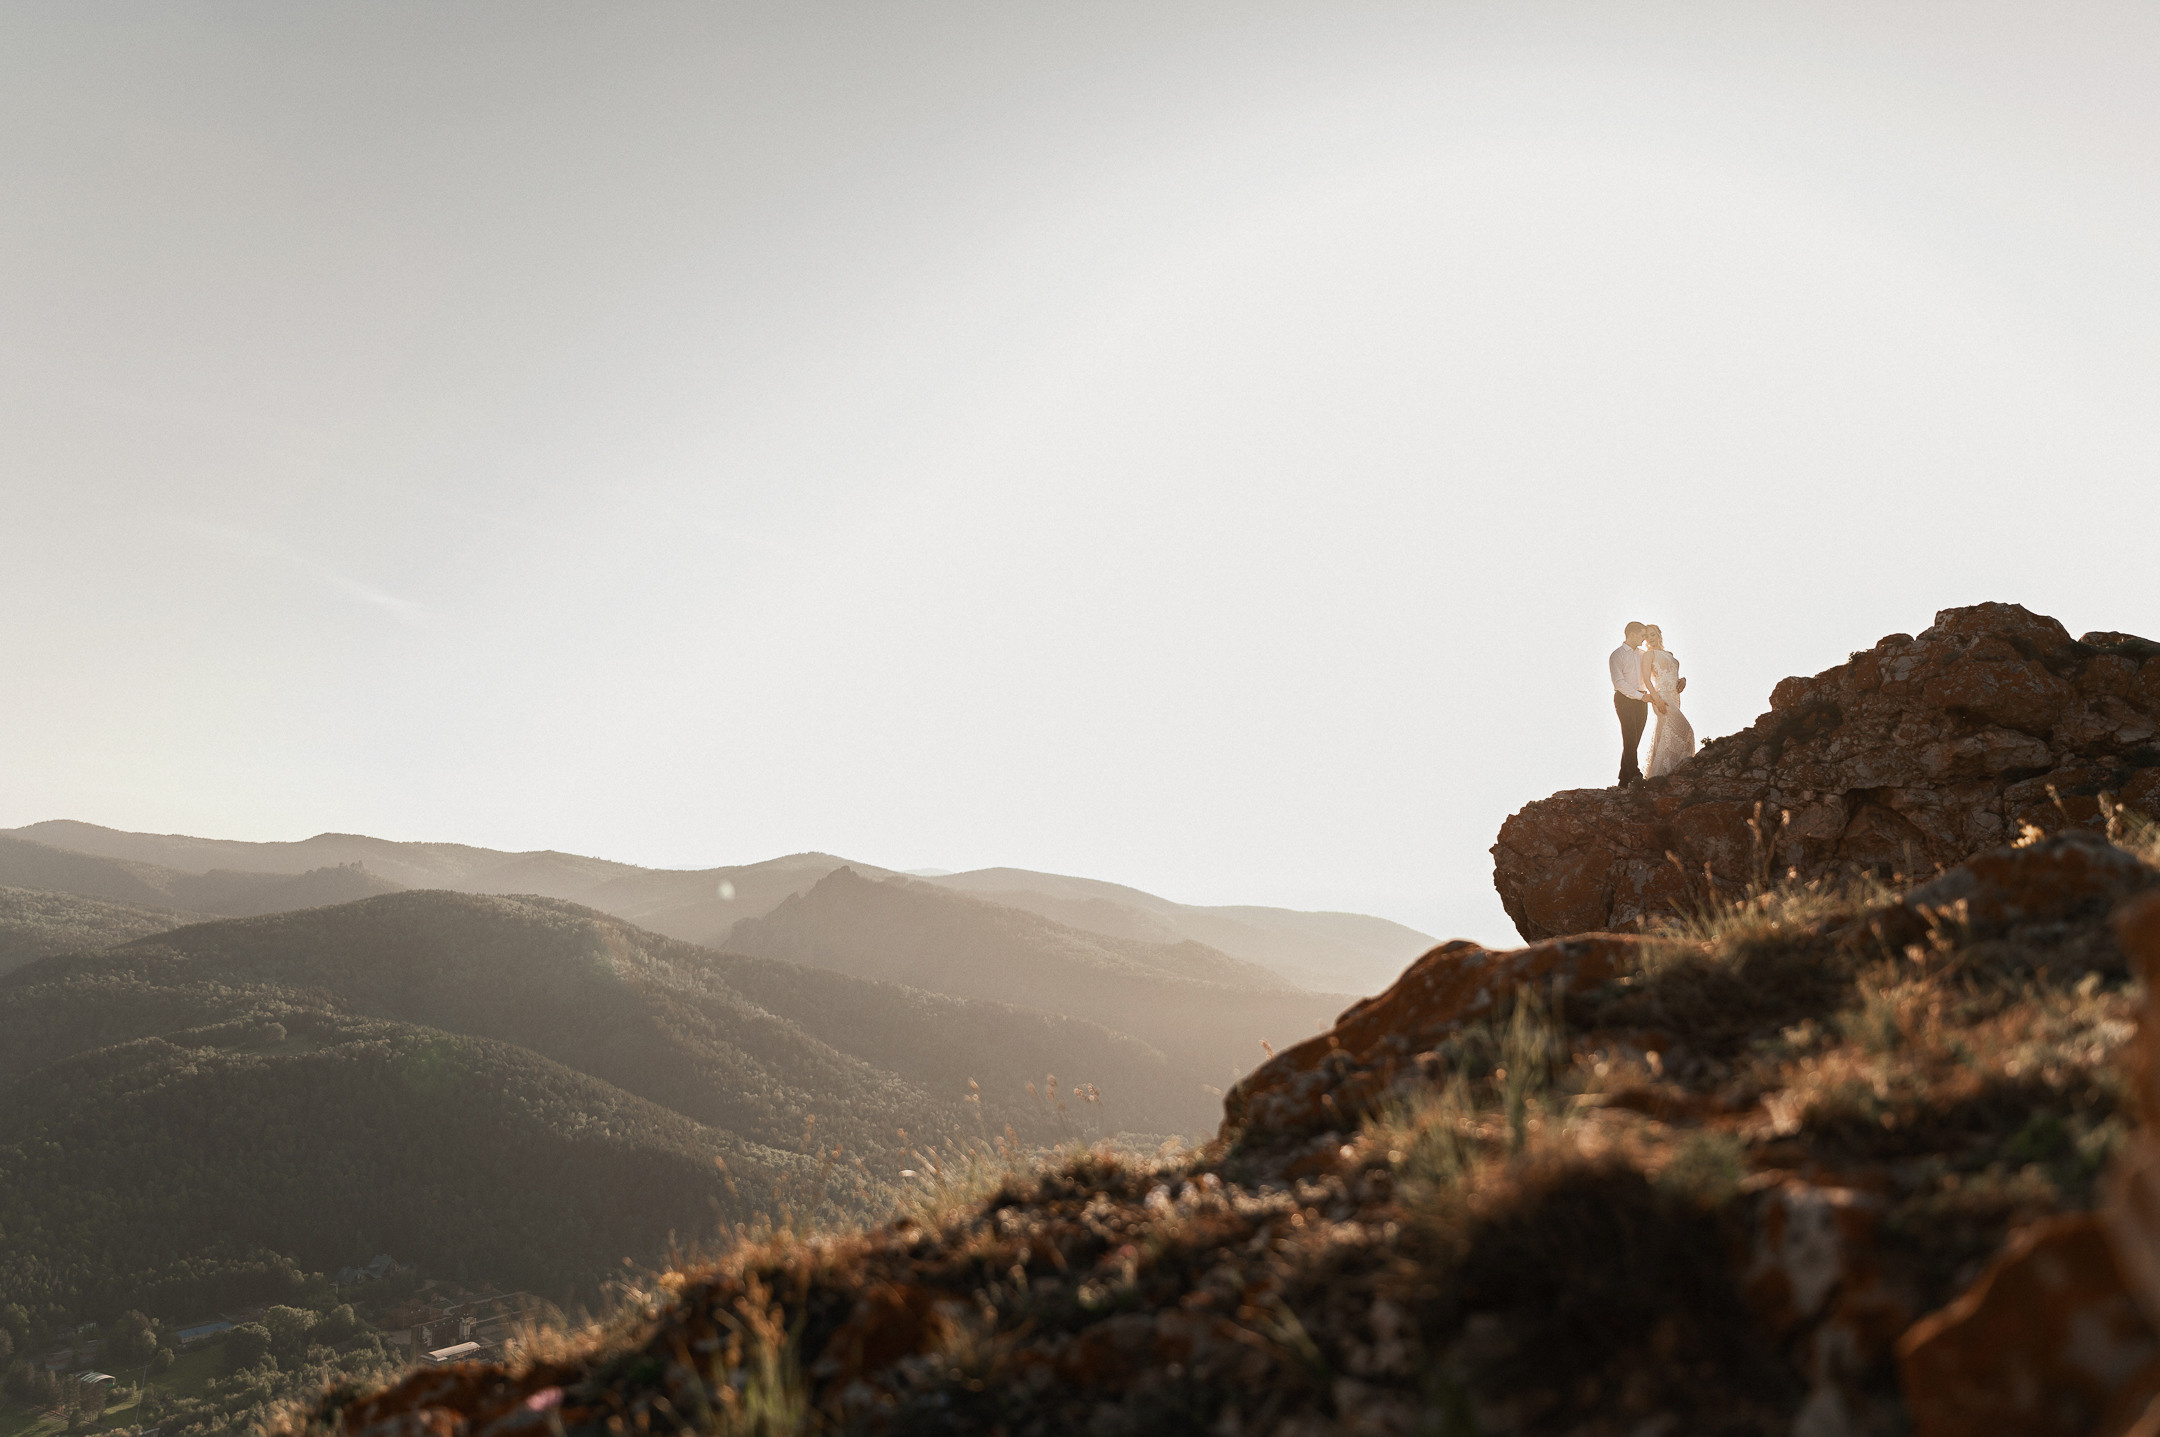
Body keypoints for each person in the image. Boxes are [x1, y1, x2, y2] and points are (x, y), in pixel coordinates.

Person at [1642, 624, 1696, 778]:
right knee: (1686, 731)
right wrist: (1656, 699)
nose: (1650, 639)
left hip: (1675, 697)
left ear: (1659, 634)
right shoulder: (1649, 655)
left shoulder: (1670, 654)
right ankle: (1664, 774)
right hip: (1662, 698)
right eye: (1647, 636)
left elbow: (1673, 675)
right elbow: (1646, 679)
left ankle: (1667, 776)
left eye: (1652, 634)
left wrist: (1683, 680)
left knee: (1667, 734)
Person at [1609, 621, 1650, 787]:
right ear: (1632, 634)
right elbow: (1618, 682)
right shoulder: (1616, 655)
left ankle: (1623, 778)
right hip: (1624, 699)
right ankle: (1634, 774)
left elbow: (1653, 675)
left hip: (1642, 699)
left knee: (1635, 739)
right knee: (1629, 737)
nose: (1644, 638)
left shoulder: (1643, 654)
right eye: (1642, 635)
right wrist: (1639, 697)